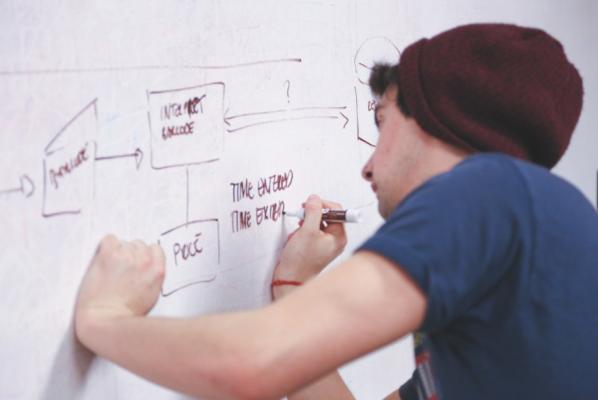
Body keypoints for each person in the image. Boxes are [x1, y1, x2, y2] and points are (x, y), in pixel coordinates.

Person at [75, 23, 598, 400]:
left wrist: (104, 320)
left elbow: (250, 364)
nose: (367, 167)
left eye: (382, 120)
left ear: (436, 117)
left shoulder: (488, 192)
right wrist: (293, 286)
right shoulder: (528, 251)